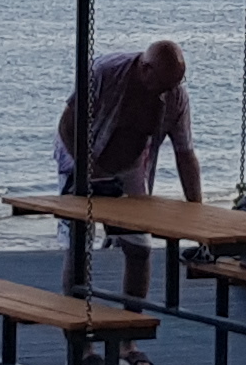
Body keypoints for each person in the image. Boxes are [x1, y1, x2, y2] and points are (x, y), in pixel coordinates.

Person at [52, 40, 202, 349]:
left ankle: (128, 341)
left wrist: (197, 211)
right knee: (79, 248)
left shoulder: (175, 96)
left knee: (139, 249)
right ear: (145, 70)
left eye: (174, 85)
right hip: (82, 155)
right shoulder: (106, 72)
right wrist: (87, 169)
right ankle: (80, 345)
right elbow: (68, 124)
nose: (166, 92)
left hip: (131, 167)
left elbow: (185, 153)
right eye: (162, 85)